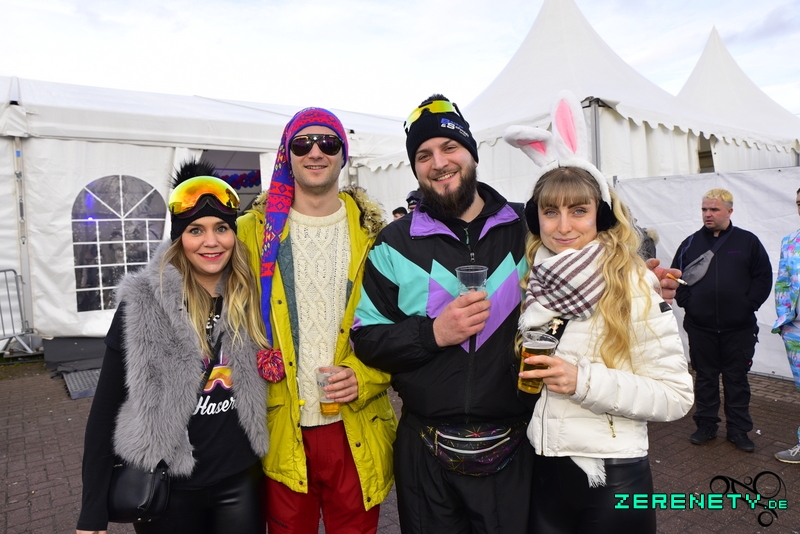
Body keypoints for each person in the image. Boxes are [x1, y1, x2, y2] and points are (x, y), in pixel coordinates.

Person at [504, 90, 693, 533]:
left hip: (612, 475)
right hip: (545, 465)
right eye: (550, 212)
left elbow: (676, 395)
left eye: (578, 210)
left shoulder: (632, 283)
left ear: (601, 215)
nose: (563, 226)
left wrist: (582, 381)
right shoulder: (540, 279)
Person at [76, 161, 269, 534]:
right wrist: (91, 510)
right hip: (165, 487)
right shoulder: (143, 304)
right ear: (179, 238)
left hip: (240, 481)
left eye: (221, 228)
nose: (211, 242)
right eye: (196, 230)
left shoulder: (250, 297)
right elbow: (104, 411)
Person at [237, 107, 396, 534]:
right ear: (286, 154)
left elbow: (403, 326)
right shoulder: (250, 233)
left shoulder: (377, 235)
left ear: (343, 155)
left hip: (356, 422)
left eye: (328, 142)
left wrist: (365, 376)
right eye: (302, 143)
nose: (315, 152)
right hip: (281, 425)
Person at [671, 188, 772, 452]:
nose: (708, 214)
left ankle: (738, 430)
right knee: (705, 378)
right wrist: (689, 303)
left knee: (736, 380)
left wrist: (747, 306)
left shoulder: (748, 242)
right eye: (704, 209)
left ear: (729, 211)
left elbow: (763, 277)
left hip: (738, 328)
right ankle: (706, 426)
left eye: (714, 209)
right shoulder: (690, 243)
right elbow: (674, 277)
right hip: (700, 327)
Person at [772, 187, 800, 463]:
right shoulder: (790, 241)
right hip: (796, 331)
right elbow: (782, 282)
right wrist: (784, 320)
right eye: (799, 203)